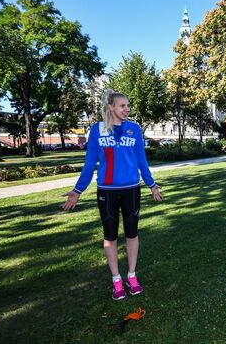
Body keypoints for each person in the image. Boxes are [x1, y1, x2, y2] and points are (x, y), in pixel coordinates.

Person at [63, 89, 162, 300]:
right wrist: (78, 190)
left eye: (128, 105)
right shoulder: (97, 130)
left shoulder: (134, 129)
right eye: (122, 105)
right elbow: (90, 163)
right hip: (106, 191)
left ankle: (132, 275)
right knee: (110, 236)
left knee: (132, 234)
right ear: (111, 107)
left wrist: (152, 185)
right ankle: (116, 279)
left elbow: (141, 161)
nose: (127, 109)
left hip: (131, 190)